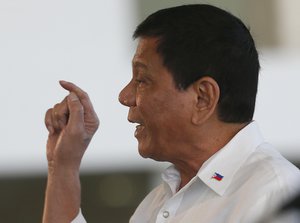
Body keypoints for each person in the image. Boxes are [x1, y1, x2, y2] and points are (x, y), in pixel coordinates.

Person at [42, 4, 300, 223]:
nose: (124, 96)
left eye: (142, 80)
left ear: (202, 98)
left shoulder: (276, 194)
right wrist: (62, 165)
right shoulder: (157, 203)